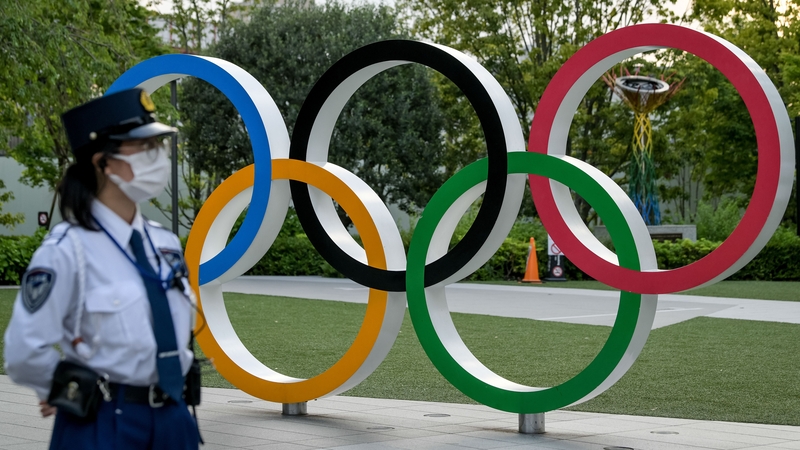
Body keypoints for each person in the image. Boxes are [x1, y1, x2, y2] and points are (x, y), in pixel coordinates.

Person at [3, 88, 200, 450]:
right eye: (142, 147)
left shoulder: (165, 244)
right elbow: (24, 350)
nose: (156, 156)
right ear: (101, 161)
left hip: (175, 418)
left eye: (158, 144)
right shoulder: (67, 251)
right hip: (104, 421)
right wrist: (67, 389)